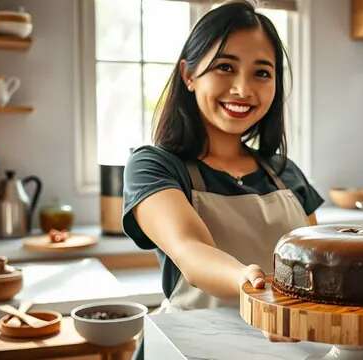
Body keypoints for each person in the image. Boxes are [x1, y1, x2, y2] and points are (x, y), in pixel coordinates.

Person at [122, 1, 323, 356]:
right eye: (225, 67)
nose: (243, 89)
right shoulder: (155, 166)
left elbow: (317, 265)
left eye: (262, 73)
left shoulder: (285, 173)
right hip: (188, 350)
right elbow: (191, 250)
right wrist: (254, 287)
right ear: (188, 75)